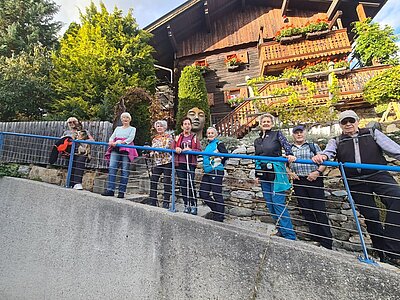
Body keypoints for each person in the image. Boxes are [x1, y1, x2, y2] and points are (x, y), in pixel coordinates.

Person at [312, 110, 400, 265]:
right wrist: (322, 157)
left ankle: (392, 249)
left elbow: (395, 150)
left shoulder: (372, 133)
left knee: (397, 199)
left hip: (378, 175)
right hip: (355, 181)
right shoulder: (336, 141)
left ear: (357, 121)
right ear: (340, 125)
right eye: (344, 122)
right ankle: (383, 255)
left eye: (351, 121)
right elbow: (328, 153)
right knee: (372, 216)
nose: (348, 124)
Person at [254, 113, 296, 240]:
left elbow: (286, 145)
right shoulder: (257, 140)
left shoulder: (277, 134)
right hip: (263, 174)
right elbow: (256, 157)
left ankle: (289, 235)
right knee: (270, 204)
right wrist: (257, 174)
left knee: (278, 203)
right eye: (264, 121)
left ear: (272, 124)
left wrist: (289, 154)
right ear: (260, 124)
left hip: (277, 173)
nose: (266, 123)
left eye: (268, 121)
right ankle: (281, 230)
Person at [289, 125, 332, 249]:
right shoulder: (289, 149)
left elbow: (324, 162)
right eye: (296, 133)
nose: (299, 134)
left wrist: (317, 172)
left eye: (301, 132)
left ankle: (327, 242)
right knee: (306, 210)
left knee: (319, 210)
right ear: (293, 135)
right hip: (299, 181)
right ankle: (315, 237)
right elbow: (285, 164)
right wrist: (290, 172)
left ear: (305, 133)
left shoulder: (313, 146)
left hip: (314, 180)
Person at [102, 112, 138, 199]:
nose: (125, 119)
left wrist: (120, 142)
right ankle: (110, 189)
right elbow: (112, 137)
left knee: (125, 170)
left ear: (130, 119)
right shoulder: (118, 128)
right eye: (123, 118)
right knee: (112, 167)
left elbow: (130, 138)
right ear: (121, 119)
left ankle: (121, 191)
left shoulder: (132, 129)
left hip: (126, 148)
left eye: (127, 118)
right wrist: (111, 142)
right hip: (116, 148)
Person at [199, 127, 228, 222]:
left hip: (215, 170)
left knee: (217, 194)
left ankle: (219, 217)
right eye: (208, 133)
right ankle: (217, 211)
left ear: (215, 135)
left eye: (212, 133)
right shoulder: (209, 145)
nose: (210, 134)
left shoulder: (218, 144)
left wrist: (217, 163)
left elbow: (226, 155)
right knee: (203, 193)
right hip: (208, 171)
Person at [174, 117, 201, 215]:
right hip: (180, 163)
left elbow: (199, 150)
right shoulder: (178, 137)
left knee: (191, 184)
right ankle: (186, 204)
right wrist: (176, 148)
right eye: (185, 124)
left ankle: (194, 205)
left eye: (189, 124)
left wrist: (190, 150)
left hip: (190, 163)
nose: (187, 126)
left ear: (191, 126)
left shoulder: (194, 137)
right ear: (182, 126)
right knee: (183, 184)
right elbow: (172, 148)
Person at [148, 120, 174, 208]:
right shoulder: (154, 139)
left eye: (161, 126)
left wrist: (156, 150)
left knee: (167, 181)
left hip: (167, 161)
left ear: (165, 128)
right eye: (158, 126)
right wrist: (150, 153)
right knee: (153, 179)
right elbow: (152, 150)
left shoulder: (169, 136)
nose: (159, 128)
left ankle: (166, 201)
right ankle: (153, 200)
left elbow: (166, 147)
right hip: (158, 162)